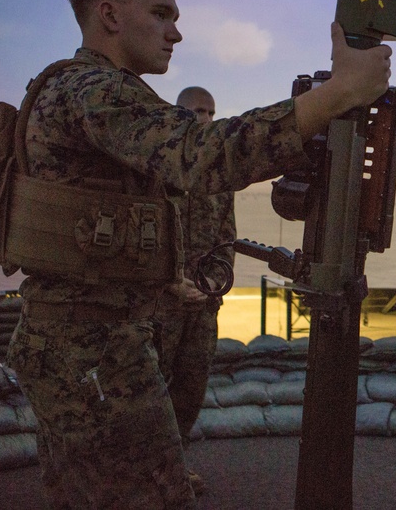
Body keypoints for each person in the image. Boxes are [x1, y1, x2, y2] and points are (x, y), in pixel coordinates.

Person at [3, 0, 392, 508]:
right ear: (108, 16)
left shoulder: (91, 89)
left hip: (96, 337)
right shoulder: (93, 90)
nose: (176, 31)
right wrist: (335, 96)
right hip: (89, 347)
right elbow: (198, 154)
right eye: (161, 14)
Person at [154, 85, 235, 496]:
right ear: (177, 114)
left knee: (190, 388)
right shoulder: (156, 169)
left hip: (203, 304)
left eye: (210, 112)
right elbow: (142, 238)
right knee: (151, 391)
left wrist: (215, 284)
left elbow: (227, 241)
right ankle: (146, 474)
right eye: (196, 111)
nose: (204, 119)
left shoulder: (220, 180)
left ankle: (174, 471)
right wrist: (169, 282)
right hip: (158, 304)